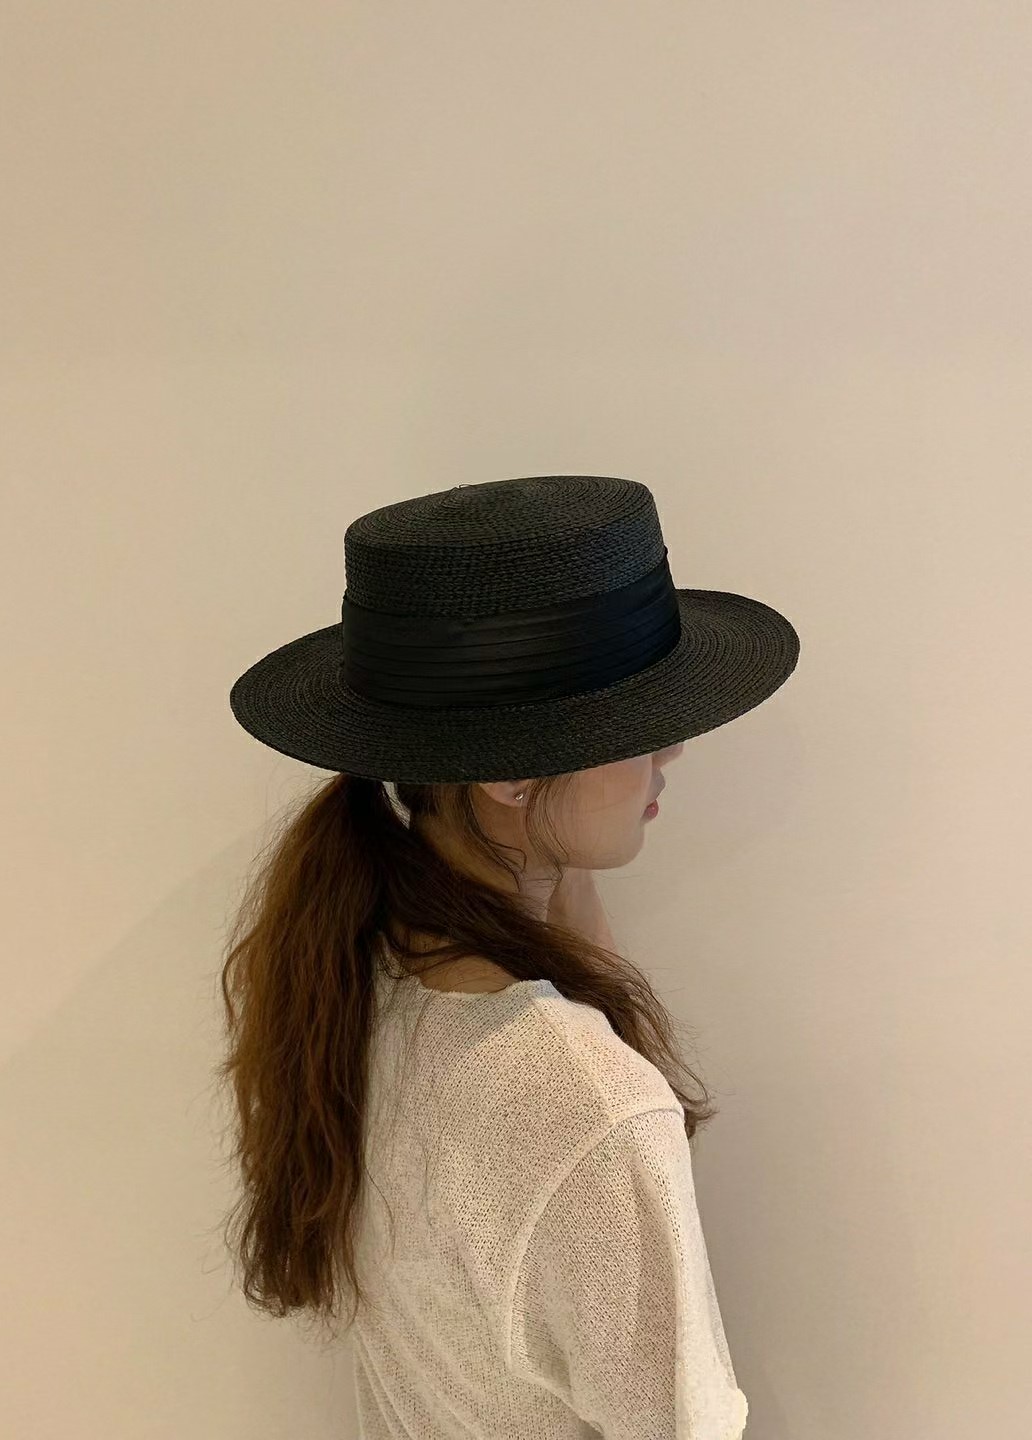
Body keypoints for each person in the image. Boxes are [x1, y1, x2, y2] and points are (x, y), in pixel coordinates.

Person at [221, 474, 799, 1438]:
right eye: (634, 727)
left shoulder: (364, 974)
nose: (672, 753)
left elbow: (569, 956)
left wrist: (552, 850)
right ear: (510, 777)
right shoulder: (588, 1105)